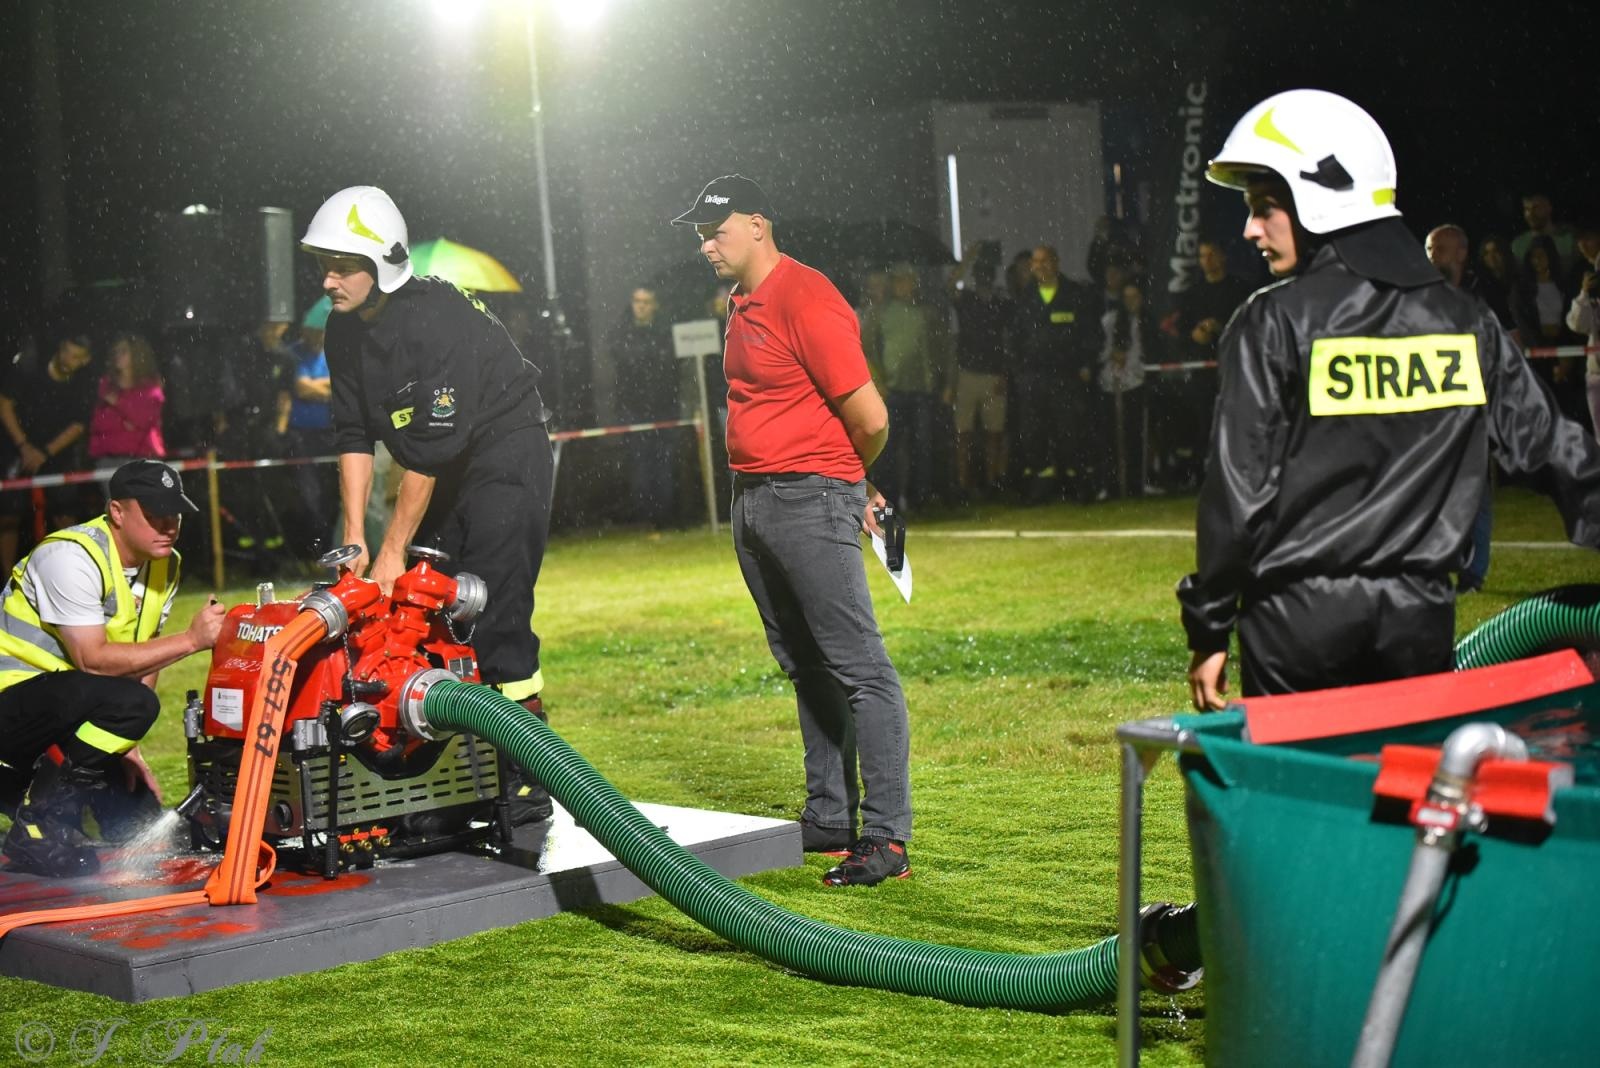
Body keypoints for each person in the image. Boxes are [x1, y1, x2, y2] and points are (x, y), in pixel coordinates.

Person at [1180, 89, 1600, 709]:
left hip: (1294, 623)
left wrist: (1210, 623)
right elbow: (1555, 450)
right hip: (1419, 619)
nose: (1249, 229)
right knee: (1402, 795)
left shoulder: (1273, 321)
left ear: (1322, 194)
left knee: (1307, 799)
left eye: (1265, 206)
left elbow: (1237, 491)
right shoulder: (1465, 319)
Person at [671, 174, 912, 887]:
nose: (706, 246)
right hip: (757, 501)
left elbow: (870, 418)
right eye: (701, 236)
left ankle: (888, 840)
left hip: (808, 498)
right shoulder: (742, 299)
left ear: (758, 225)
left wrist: (840, 477)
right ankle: (831, 815)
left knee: (859, 668)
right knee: (805, 665)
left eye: (716, 233)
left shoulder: (806, 294)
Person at [302, 185, 555, 827]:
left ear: (383, 261)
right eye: (322, 264)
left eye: (341, 265)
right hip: (440, 461)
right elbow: (353, 433)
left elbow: (429, 451)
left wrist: (392, 549)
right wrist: (357, 538)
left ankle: (528, 780)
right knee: (426, 614)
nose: (327, 279)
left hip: (505, 455)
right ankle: (457, 781)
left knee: (491, 612)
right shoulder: (343, 328)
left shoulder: (435, 318)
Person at [0, 460, 226, 876]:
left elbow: (144, 655)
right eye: (154, 512)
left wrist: (126, 745)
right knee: (129, 703)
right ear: (116, 512)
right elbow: (94, 659)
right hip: (13, 703)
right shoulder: (69, 556)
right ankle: (38, 824)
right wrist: (193, 641)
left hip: (67, 707)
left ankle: (39, 799)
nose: (168, 524)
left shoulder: (164, 563)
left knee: (132, 820)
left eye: (174, 512)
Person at [0, 328, 96, 578]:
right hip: (15, 446)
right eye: (66, 351)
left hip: (57, 453)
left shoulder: (85, 383)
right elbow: (4, 404)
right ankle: (7, 580)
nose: (67, 359)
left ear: (85, 360)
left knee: (65, 514)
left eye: (76, 356)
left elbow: (78, 425)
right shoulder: (30, 366)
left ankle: (73, 577)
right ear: (60, 346)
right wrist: (24, 446)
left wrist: (44, 452)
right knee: (7, 517)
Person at [861, 263, 953, 510]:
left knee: (922, 448)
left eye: (909, 280)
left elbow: (942, 350)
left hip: (923, 390)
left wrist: (945, 382)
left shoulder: (927, 313)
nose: (904, 285)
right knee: (888, 450)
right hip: (891, 390)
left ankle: (919, 499)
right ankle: (888, 500)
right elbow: (866, 350)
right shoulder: (880, 314)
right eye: (900, 280)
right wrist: (877, 382)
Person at [606, 285, 679, 527]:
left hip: (663, 405)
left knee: (663, 461)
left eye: (646, 301)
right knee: (639, 461)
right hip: (633, 406)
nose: (641, 306)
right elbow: (622, 354)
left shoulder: (666, 330)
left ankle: (664, 516)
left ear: (655, 305)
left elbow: (667, 361)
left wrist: (643, 355)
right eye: (637, 300)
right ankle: (644, 516)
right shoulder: (622, 330)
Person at [946, 241, 1012, 497]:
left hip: (992, 374)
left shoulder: (1001, 303)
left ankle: (992, 482)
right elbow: (949, 286)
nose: (983, 278)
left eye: (987, 274)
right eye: (980, 274)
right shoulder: (968, 300)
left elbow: (1007, 340)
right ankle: (966, 485)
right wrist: (968, 259)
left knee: (993, 434)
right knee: (964, 434)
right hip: (968, 373)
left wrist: (1004, 373)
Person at [278, 297, 339, 557]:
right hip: (301, 436)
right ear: (305, 330)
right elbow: (301, 387)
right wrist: (325, 387)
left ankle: (329, 550)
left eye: (322, 332)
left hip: (329, 434)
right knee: (309, 497)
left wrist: (317, 388)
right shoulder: (294, 353)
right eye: (315, 332)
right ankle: (313, 550)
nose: (318, 337)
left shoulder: (332, 352)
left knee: (331, 495)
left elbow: (333, 387)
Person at [88, 332, 166, 470]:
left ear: (137, 353)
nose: (117, 355)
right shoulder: (106, 384)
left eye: (123, 351)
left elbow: (144, 418)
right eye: (116, 351)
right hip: (108, 458)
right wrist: (126, 421)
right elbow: (98, 423)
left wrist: (118, 403)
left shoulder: (151, 385)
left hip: (144, 457)